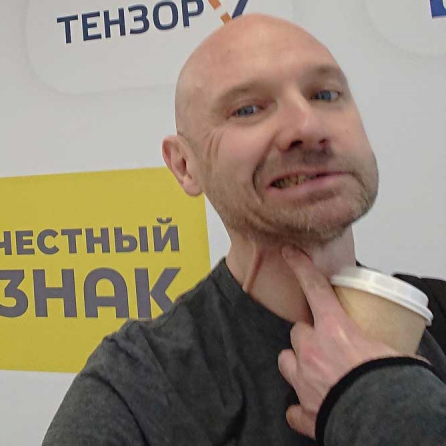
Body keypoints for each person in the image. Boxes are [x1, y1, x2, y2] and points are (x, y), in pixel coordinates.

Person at [42, 13, 446, 446]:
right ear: (185, 165)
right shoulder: (138, 388)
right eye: (248, 109)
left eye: (325, 94)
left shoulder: (437, 310)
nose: (308, 127)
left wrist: (372, 399)